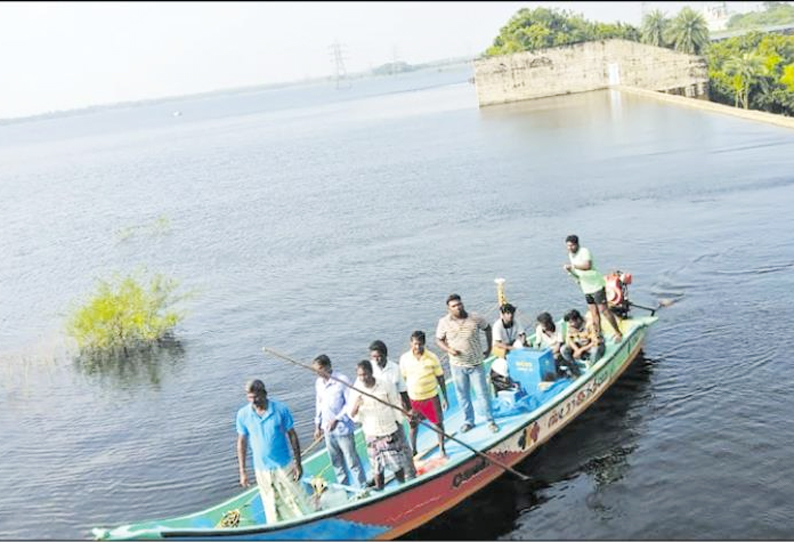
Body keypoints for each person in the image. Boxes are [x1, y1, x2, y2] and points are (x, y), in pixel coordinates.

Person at [236, 379, 310, 523]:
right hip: (262, 469)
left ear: (264, 394)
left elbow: (292, 436)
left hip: (284, 465)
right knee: (271, 504)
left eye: (256, 397)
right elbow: (241, 442)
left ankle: (308, 527)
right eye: (250, 398)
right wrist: (242, 471)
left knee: (296, 500)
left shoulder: (280, 409)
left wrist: (298, 463)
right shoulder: (243, 414)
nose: (254, 401)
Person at [435, 293, 500, 433]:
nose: (458, 308)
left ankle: (490, 420)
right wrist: (448, 349)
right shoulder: (444, 322)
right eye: (454, 306)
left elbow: (488, 328)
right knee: (463, 395)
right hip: (457, 366)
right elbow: (439, 340)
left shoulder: (475, 318)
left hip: (476, 364)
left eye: (459, 304)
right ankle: (469, 421)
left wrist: (489, 348)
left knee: (482, 393)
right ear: (449, 309)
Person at [349, 359, 416, 490]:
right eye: (360, 375)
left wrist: (402, 419)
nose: (363, 378)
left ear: (371, 373)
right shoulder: (357, 391)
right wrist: (356, 405)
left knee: (397, 465)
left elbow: (395, 404)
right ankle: (381, 490)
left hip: (389, 430)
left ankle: (402, 487)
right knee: (377, 468)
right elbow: (353, 415)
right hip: (372, 433)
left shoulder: (385, 385)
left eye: (365, 374)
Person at [312, 354, 366, 489]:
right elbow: (319, 403)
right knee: (336, 462)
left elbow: (350, 404)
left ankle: (362, 487)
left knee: (351, 460)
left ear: (327, 367)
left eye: (320, 369)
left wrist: (337, 419)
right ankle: (345, 488)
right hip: (328, 430)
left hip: (343, 429)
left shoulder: (341, 380)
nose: (317, 373)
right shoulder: (319, 383)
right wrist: (317, 425)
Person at [563, 234, 623, 343]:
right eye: (567, 246)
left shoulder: (584, 251)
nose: (569, 248)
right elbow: (577, 272)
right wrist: (571, 272)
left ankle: (618, 332)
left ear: (577, 244)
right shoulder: (571, 255)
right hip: (586, 288)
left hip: (596, 285)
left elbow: (587, 266)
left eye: (571, 246)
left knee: (604, 311)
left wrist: (573, 266)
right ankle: (599, 335)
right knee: (593, 313)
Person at [399, 330, 448, 458]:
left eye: (420, 344)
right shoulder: (404, 359)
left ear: (424, 343)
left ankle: (442, 449)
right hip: (414, 399)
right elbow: (402, 382)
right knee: (413, 426)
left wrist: (444, 398)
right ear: (411, 343)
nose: (417, 347)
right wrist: (404, 406)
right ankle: (414, 450)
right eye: (415, 344)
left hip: (431, 397)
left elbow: (441, 378)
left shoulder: (432, 357)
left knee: (438, 423)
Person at [490, 303, 525, 393]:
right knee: (504, 357)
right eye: (508, 313)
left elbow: (522, 334)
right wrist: (510, 348)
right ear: (503, 314)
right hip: (501, 347)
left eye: (512, 313)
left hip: (512, 343)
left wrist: (522, 341)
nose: (511, 315)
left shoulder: (516, 322)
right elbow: (498, 343)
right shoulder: (497, 326)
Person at [368, 340, 411, 413]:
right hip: (374, 410)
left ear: (385, 355)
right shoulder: (368, 369)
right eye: (373, 357)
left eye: (379, 356)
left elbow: (403, 391)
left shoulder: (395, 368)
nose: (376, 360)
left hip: (393, 411)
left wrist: (409, 410)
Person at [560, 309, 605, 377]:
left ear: (578, 319)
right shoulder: (571, 325)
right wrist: (576, 350)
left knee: (595, 351)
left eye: (572, 322)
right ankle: (575, 370)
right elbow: (569, 339)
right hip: (581, 344)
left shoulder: (590, 324)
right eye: (569, 322)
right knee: (563, 349)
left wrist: (580, 350)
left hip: (592, 345)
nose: (570, 324)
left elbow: (595, 342)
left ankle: (592, 370)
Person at [533, 311, 565, 375]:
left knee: (555, 357)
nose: (542, 327)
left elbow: (558, 345)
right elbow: (538, 343)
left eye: (543, 325)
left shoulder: (558, 327)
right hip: (547, 349)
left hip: (557, 349)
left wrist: (550, 354)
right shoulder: (539, 328)